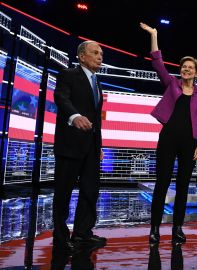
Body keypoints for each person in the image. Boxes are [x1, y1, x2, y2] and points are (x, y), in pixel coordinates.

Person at [140, 22, 197, 244]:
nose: (186, 69)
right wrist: (154, 35)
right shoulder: (172, 84)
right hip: (168, 139)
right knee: (162, 183)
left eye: (190, 67)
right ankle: (155, 229)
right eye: (184, 67)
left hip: (190, 143)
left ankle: (177, 227)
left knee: (183, 185)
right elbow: (157, 62)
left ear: (196, 72)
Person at [52, 40, 106, 251]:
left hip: (91, 147)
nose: (100, 56)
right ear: (82, 56)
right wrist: (74, 116)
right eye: (95, 52)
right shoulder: (68, 74)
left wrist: (98, 145)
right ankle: (61, 236)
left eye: (101, 53)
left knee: (90, 191)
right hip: (70, 144)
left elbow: (96, 119)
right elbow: (61, 97)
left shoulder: (97, 82)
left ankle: (83, 233)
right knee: (63, 192)